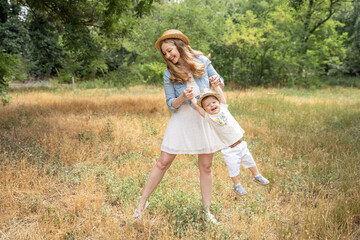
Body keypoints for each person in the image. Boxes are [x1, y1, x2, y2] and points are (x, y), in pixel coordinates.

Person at [133, 29, 225, 224]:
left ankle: (207, 212)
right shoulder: (169, 73)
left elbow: (219, 82)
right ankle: (141, 205)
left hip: (203, 117)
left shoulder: (202, 61)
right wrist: (183, 96)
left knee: (206, 166)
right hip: (182, 119)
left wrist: (217, 81)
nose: (167, 56)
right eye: (164, 54)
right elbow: (170, 105)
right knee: (163, 162)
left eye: (169, 50)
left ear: (179, 45)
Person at [184, 76, 270, 196]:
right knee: (233, 167)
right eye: (208, 105)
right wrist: (192, 98)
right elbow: (198, 109)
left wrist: (216, 86)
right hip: (228, 149)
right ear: (205, 109)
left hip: (240, 143)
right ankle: (237, 184)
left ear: (218, 102)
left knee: (250, 160)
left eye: (214, 102)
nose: (212, 105)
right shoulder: (209, 117)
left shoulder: (223, 108)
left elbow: (221, 94)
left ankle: (257, 175)